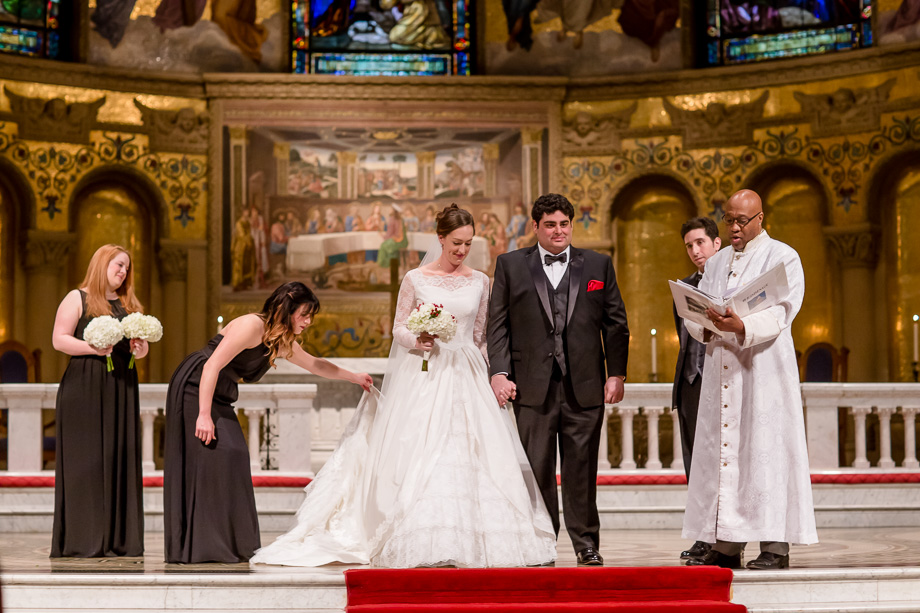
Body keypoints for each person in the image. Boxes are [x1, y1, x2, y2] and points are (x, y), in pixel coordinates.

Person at [251, 204, 556, 568]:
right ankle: (425, 537)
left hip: (467, 374)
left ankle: (478, 540)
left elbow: (480, 337)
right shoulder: (416, 278)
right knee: (424, 452)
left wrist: (495, 375)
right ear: (440, 239)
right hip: (426, 375)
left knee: (476, 452)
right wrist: (419, 339)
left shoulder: (481, 281)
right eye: (456, 243)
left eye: (468, 244)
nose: (462, 251)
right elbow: (399, 328)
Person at [163, 282, 372, 564]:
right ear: (288, 307)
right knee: (221, 455)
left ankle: (228, 544)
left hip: (219, 395)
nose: (308, 322)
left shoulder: (280, 340)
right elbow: (211, 365)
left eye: (311, 316)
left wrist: (354, 377)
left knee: (233, 457)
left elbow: (316, 365)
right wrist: (203, 414)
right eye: (304, 314)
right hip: (196, 386)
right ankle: (202, 546)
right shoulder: (251, 326)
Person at [487, 193, 629, 567]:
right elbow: (497, 325)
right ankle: (542, 542)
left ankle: (586, 545)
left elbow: (616, 323)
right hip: (531, 386)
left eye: (564, 224)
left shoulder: (598, 264)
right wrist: (499, 372)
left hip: (585, 386)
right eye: (550, 224)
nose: (558, 231)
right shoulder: (510, 264)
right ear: (536, 227)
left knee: (581, 471)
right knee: (537, 470)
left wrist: (616, 373)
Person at [683, 189, 817, 570]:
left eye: (743, 220)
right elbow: (698, 312)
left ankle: (775, 547)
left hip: (764, 371)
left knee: (766, 453)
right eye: (729, 220)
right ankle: (727, 544)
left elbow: (784, 309)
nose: (735, 227)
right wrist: (705, 328)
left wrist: (741, 324)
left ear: (761, 218)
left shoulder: (783, 256)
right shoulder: (718, 260)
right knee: (725, 457)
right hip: (721, 369)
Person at [50, 244, 149, 558]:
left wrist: (140, 348)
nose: (122, 273)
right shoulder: (76, 298)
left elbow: (139, 348)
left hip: (120, 386)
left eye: (126, 269)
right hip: (85, 386)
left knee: (117, 458)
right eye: (118, 265)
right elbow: (59, 339)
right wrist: (93, 348)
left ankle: (117, 538)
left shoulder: (126, 303)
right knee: (87, 462)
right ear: (101, 263)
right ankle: (83, 539)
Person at [672, 216, 721, 562]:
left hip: (720, 381)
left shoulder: (731, 281)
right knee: (695, 464)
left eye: (700, 242)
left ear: (716, 243)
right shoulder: (686, 285)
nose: (695, 250)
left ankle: (725, 538)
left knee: (720, 462)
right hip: (690, 381)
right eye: (689, 245)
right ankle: (704, 537)